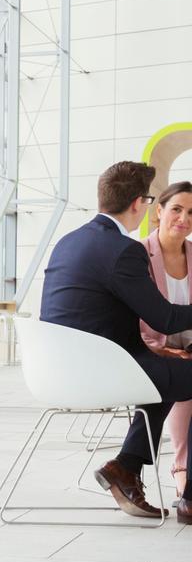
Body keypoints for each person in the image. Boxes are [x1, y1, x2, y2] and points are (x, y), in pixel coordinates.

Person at [41, 160, 192, 521]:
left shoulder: (70, 241)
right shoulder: (124, 250)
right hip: (101, 370)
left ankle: (125, 468)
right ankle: (182, 490)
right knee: (180, 374)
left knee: (168, 372)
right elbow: (165, 318)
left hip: (58, 367)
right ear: (141, 204)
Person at [140, 181, 192, 498]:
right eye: (176, 209)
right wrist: (164, 349)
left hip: (188, 346)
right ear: (159, 211)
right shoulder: (138, 255)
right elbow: (132, 316)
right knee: (184, 376)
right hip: (152, 347)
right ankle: (183, 470)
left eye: (191, 212)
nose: (184, 218)